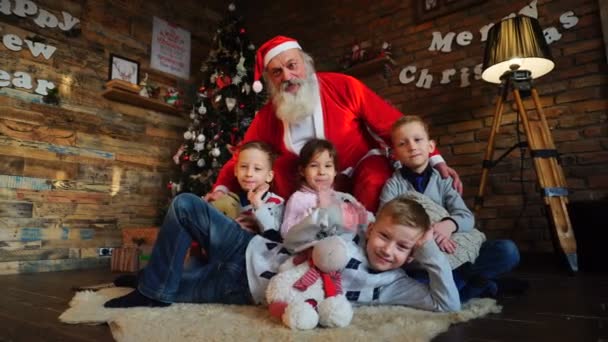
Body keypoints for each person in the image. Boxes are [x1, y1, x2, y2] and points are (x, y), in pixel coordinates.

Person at [206, 35, 462, 212]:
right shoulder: (268, 115)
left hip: (356, 169)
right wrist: (220, 188)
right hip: (305, 185)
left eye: (292, 65)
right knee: (281, 165)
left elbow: (395, 125)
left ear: (304, 64)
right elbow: (242, 156)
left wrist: (436, 159)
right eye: (277, 72)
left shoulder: (343, 85)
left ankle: (369, 246)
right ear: (271, 80)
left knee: (376, 175)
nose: (287, 76)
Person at [104, 141, 284, 307]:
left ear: (269, 176)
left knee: (171, 286)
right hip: (233, 248)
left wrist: (258, 207)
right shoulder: (229, 199)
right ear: (235, 170)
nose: (249, 173)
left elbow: (276, 237)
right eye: (244, 167)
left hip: (245, 279)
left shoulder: (277, 202)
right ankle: (148, 285)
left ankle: (144, 282)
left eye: (257, 168)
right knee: (184, 204)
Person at [379, 115, 523, 302]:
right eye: (402, 144)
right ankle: (476, 284)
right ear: (395, 154)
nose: (412, 147)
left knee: (508, 251)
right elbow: (385, 221)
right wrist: (426, 236)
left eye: (417, 140)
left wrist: (447, 226)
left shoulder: (444, 180)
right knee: (414, 279)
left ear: (431, 146)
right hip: (423, 255)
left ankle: (464, 282)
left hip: (454, 249)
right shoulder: (393, 186)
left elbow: (466, 217)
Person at [280, 138, 369, 237]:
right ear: (302, 171)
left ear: (335, 171)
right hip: (310, 247)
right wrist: (313, 213)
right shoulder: (298, 199)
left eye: (328, 166)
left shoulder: (340, 197)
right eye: (314, 166)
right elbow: (286, 233)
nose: (321, 172)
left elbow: (360, 222)